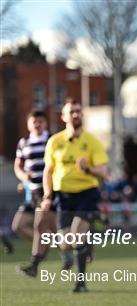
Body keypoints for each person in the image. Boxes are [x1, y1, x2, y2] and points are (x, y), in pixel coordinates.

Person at [40, 98, 108, 292]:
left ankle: (80, 283)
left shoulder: (92, 142)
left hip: (87, 193)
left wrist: (88, 169)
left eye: (78, 111)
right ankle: (90, 237)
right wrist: (47, 196)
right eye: (71, 112)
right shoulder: (55, 141)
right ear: (64, 117)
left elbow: (103, 172)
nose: (76, 114)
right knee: (64, 243)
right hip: (63, 196)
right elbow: (48, 171)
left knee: (77, 235)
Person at [14, 110, 61, 277]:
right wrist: (23, 178)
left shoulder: (52, 140)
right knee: (19, 226)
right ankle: (60, 250)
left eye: (40, 121)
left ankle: (35, 263)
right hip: (31, 191)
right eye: (34, 121)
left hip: (47, 190)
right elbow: (18, 166)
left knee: (43, 227)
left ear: (46, 123)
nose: (37, 124)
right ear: (28, 124)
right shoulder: (24, 142)